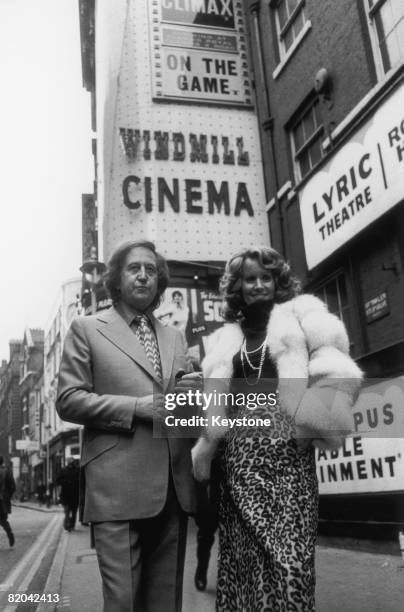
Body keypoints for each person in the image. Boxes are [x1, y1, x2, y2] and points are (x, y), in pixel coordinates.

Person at [192, 246, 363, 611]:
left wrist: (305, 431)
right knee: (244, 558)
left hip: (289, 460)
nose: (257, 285)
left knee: (291, 562)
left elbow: (340, 373)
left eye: (265, 277)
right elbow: (218, 402)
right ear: (237, 286)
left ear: (277, 281)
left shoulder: (304, 314)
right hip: (238, 463)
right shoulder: (226, 338)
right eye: (249, 279)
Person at [56, 240, 202, 612]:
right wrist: (135, 407)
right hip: (116, 487)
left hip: (173, 489)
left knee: (166, 604)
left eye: (151, 270)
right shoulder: (86, 328)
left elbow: (180, 415)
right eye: (134, 268)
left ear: (159, 281)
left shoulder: (174, 336)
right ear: (117, 280)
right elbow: (68, 400)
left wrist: (192, 396)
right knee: (122, 604)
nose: (143, 275)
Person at [57, 458, 80, 532]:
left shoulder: (77, 470)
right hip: (66, 495)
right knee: (67, 511)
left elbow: (80, 481)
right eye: (69, 462)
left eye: (71, 462)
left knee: (74, 512)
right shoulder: (63, 470)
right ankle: (67, 526)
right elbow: (58, 481)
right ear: (67, 463)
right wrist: (66, 482)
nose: (70, 463)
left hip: (75, 495)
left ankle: (72, 525)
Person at [0, 456, 15, 548]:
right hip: (3, 501)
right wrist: (7, 497)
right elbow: (13, 486)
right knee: (3, 520)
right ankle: (10, 534)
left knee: (2, 520)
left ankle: (10, 534)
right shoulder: (7, 471)